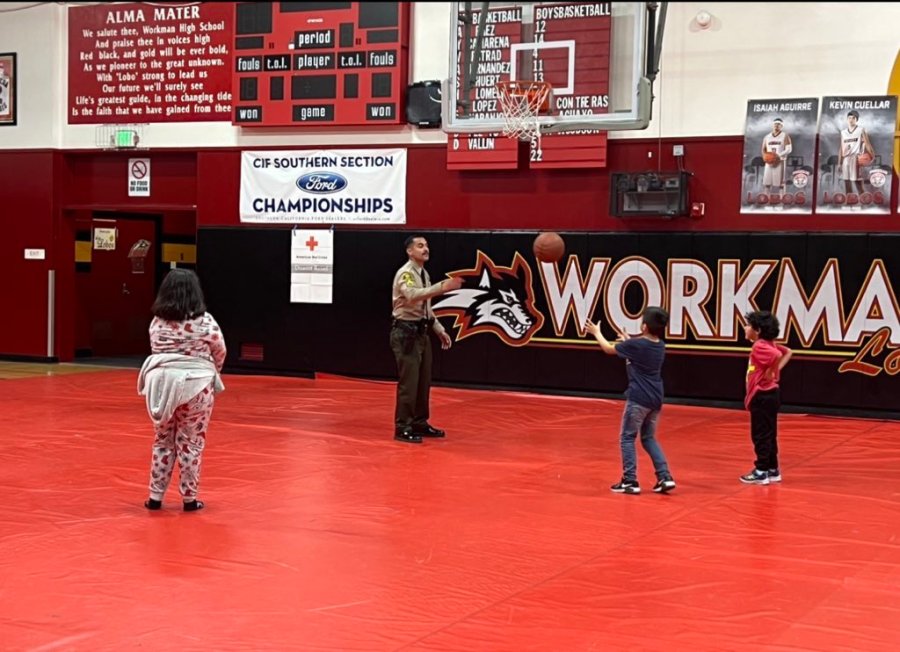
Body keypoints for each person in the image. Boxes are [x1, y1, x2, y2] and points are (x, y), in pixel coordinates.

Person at [137, 269, 226, 511]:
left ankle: (155, 497)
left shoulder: (157, 323)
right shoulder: (205, 321)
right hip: (197, 384)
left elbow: (156, 349)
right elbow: (220, 350)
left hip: (162, 385)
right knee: (191, 442)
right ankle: (189, 499)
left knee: (162, 441)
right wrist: (211, 371)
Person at [584, 307, 676, 495]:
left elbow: (609, 349)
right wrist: (628, 341)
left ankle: (630, 480)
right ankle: (665, 476)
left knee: (627, 438)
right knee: (649, 438)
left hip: (638, 399)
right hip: (656, 399)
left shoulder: (636, 345)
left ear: (643, 326)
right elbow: (638, 352)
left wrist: (597, 333)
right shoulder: (659, 345)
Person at [390, 235, 464, 444]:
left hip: (421, 332)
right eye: (420, 246)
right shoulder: (406, 273)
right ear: (409, 251)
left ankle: (419, 422)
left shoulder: (424, 273)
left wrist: (439, 329)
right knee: (409, 383)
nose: (425, 249)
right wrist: (442, 287)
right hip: (405, 333)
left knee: (423, 382)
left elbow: (426, 308)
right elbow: (413, 295)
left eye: (427, 245)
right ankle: (402, 426)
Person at [740, 310, 792, 485]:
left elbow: (778, 356)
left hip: (762, 394)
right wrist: (774, 370)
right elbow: (788, 352)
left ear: (758, 330)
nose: (745, 328)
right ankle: (772, 468)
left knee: (760, 435)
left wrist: (771, 370)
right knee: (769, 433)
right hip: (770, 394)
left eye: (748, 325)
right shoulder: (770, 343)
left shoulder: (760, 346)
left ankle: (761, 470)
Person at [838, 110, 875, 198]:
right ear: (847, 119)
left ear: (856, 119)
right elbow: (841, 148)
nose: (851, 120)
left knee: (858, 183)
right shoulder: (843, 132)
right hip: (846, 158)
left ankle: (864, 201)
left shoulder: (861, 130)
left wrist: (872, 155)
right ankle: (849, 202)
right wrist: (839, 162)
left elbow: (867, 143)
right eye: (849, 118)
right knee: (847, 182)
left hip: (856, 158)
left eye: (853, 118)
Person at [761, 117, 792, 208]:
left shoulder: (785, 136)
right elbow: (763, 149)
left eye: (779, 124)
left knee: (781, 185)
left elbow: (789, 149)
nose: (776, 125)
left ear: (781, 126)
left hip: (780, 161)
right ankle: (766, 203)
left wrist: (778, 155)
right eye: (775, 124)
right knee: (767, 184)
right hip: (769, 162)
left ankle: (781, 203)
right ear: (773, 125)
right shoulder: (767, 137)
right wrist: (765, 157)